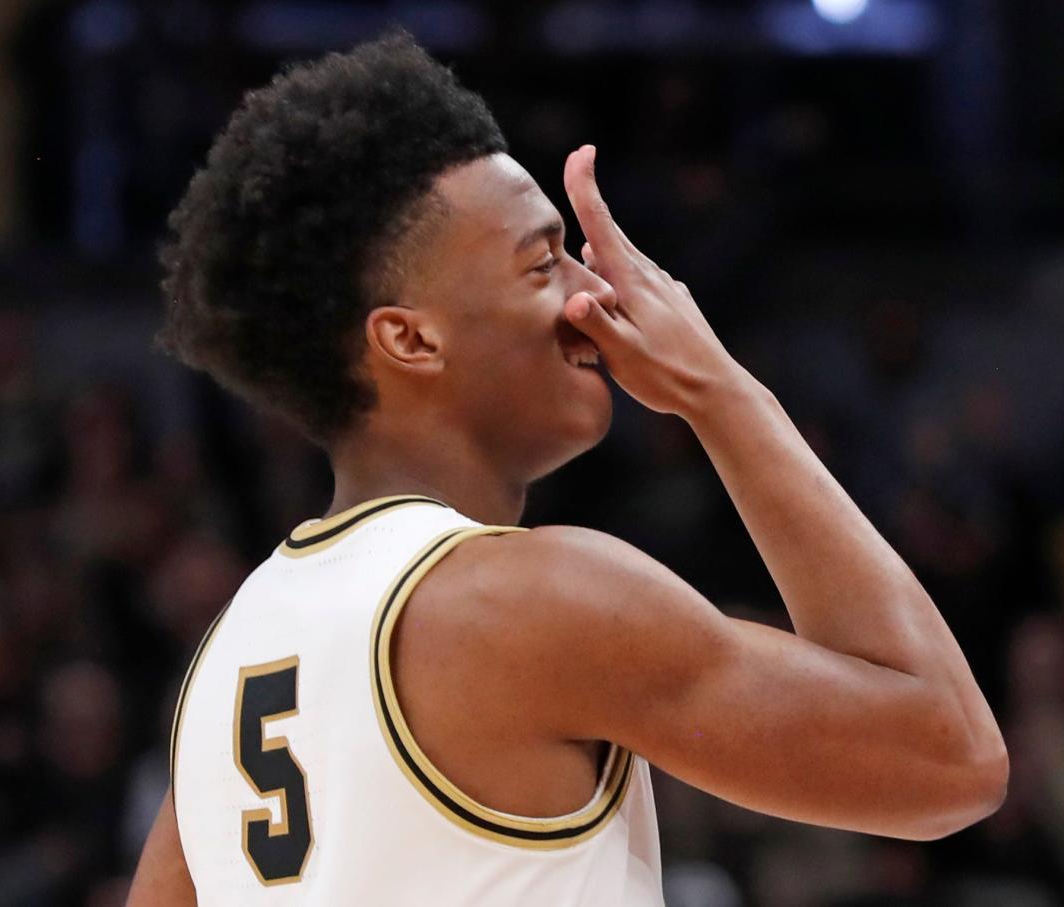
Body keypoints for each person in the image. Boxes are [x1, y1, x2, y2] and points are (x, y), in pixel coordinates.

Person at [127, 28, 1008, 906]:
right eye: (542, 262)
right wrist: (720, 391)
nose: (594, 296)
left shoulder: (227, 660)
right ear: (408, 337)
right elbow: (949, 757)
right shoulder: (530, 598)